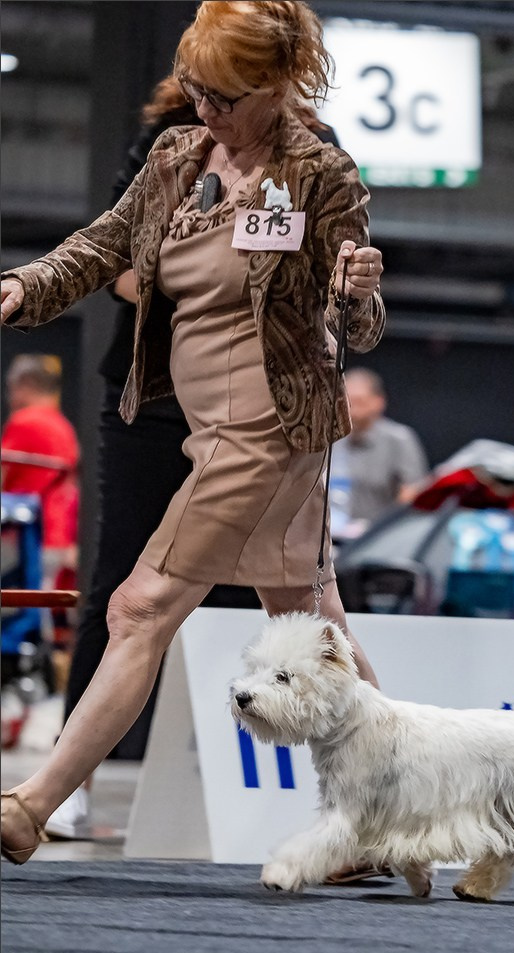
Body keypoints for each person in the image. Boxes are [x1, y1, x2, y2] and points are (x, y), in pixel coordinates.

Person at [0, 1, 385, 875]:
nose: (203, 108)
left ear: (276, 84)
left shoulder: (317, 172)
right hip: (203, 427)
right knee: (310, 619)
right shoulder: (178, 155)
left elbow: (357, 326)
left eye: (223, 95)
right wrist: (24, 285)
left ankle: (30, 805)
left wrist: (358, 290)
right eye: (196, 89)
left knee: (140, 605)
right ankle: (389, 814)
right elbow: (102, 248)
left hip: (270, 428)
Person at [1, 353, 80, 592]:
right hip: (61, 533)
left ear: (25, 385)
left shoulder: (25, 421)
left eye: (11, 388)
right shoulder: (63, 426)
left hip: (34, 538)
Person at [331, 367, 429, 534]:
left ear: (378, 401)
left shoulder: (399, 439)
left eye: (359, 402)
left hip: (375, 535)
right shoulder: (331, 439)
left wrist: (380, 530)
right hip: (331, 534)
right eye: (345, 402)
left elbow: (413, 493)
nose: (351, 410)